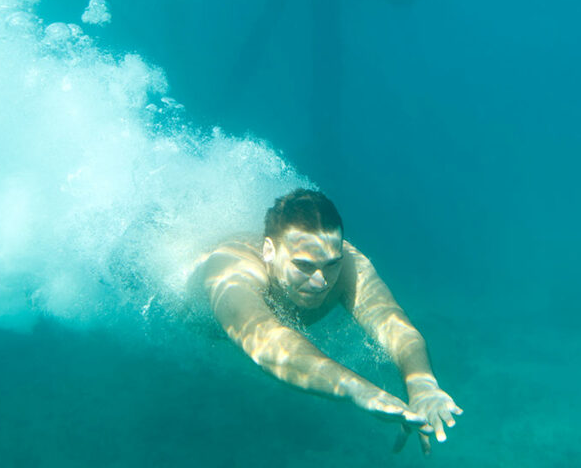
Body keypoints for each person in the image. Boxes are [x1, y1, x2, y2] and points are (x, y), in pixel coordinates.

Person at [191, 188, 462, 454]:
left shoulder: (345, 263)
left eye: (331, 264)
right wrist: (358, 390)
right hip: (199, 323)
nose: (321, 282)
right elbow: (267, 342)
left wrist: (422, 386)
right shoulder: (231, 269)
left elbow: (391, 320)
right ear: (269, 251)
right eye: (304, 266)